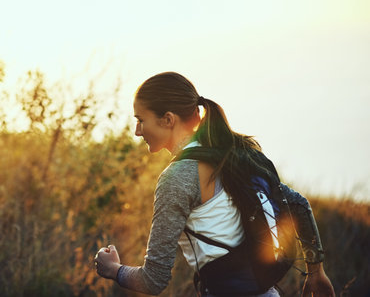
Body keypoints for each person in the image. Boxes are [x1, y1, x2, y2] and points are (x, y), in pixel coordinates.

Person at [94, 72, 335, 297]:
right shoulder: (235, 156)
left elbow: (154, 279)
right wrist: (316, 273)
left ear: (168, 119)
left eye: (140, 120)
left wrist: (114, 269)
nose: (137, 131)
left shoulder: (177, 178)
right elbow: (299, 204)